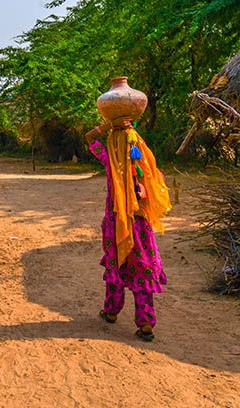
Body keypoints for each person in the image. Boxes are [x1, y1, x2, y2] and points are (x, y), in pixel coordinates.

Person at [85, 117, 172, 341]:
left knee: (117, 265)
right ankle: (145, 322)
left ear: (114, 145)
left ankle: (111, 311)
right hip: (140, 226)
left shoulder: (110, 162)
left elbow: (90, 138)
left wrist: (109, 126)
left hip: (117, 224)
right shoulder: (145, 167)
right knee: (141, 268)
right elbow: (157, 183)